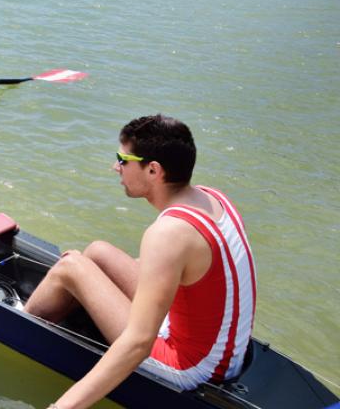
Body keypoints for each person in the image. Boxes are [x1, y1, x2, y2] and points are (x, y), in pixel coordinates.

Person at [25, 115, 256, 408]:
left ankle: (15, 324)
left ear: (153, 170)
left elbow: (138, 344)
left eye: (123, 159)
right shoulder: (212, 198)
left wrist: (62, 406)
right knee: (97, 251)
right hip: (227, 355)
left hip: (192, 369)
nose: (115, 167)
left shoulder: (167, 233)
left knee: (71, 266)